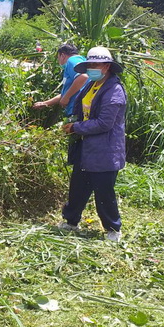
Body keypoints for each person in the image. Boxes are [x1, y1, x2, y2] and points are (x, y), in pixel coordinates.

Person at [58, 46, 127, 242]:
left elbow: (105, 123)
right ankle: (71, 221)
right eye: (90, 65)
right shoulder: (92, 84)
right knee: (78, 186)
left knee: (103, 191)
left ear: (106, 66)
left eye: (96, 65)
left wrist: (76, 127)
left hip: (105, 150)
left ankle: (113, 229)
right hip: (86, 146)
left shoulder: (114, 91)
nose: (92, 68)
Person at [32, 43, 89, 118]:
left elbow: (83, 77)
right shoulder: (81, 61)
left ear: (62, 55)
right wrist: (46, 103)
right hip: (81, 109)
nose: (58, 61)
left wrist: (66, 98)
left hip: (77, 109)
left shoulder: (72, 60)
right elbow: (66, 93)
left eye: (58, 57)